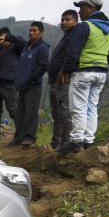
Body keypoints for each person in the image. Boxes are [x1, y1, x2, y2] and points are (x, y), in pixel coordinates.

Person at [58, 0, 109, 151]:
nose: (79, 11)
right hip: (101, 73)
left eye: (82, 7)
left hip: (83, 72)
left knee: (78, 106)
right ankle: (88, 140)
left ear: (92, 9)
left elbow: (73, 51)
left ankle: (76, 141)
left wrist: (66, 70)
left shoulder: (84, 26)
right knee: (92, 107)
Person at [0, 27, 25, 144]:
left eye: (3, 38)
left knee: (13, 110)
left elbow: (23, 43)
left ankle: (20, 136)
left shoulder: (16, 48)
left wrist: (8, 38)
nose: (1, 41)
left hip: (9, 84)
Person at [11, 21, 49, 145]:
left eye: (34, 30)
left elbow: (43, 66)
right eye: (30, 30)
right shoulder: (26, 47)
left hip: (33, 85)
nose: (31, 33)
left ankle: (29, 137)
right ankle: (18, 137)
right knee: (20, 113)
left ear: (41, 33)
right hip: (22, 85)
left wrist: (31, 78)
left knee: (30, 113)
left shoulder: (42, 47)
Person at [48, 10, 80, 150]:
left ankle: (66, 143)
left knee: (65, 112)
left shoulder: (74, 36)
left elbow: (73, 55)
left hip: (63, 82)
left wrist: (65, 71)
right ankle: (56, 142)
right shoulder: (65, 37)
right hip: (53, 81)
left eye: (68, 20)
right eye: (62, 20)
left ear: (75, 21)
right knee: (56, 113)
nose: (64, 22)